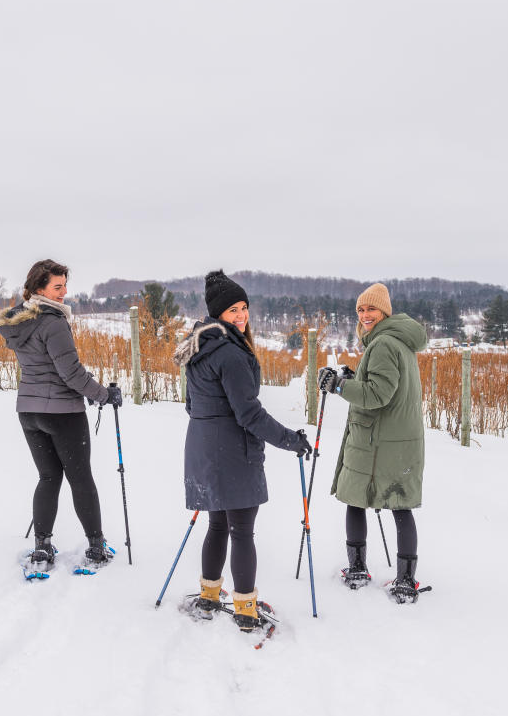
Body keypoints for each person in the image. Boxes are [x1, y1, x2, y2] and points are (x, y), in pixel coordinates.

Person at [173, 270, 312, 631]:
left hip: (203, 449)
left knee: (218, 525)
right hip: (232, 453)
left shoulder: (199, 345)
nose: (241, 315)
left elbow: (191, 405)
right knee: (241, 531)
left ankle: (208, 596)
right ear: (218, 313)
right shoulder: (230, 354)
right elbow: (249, 414)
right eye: (233, 310)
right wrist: (290, 440)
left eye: (244, 308)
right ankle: (246, 609)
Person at [0, 259, 123, 573]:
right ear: (40, 289)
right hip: (62, 414)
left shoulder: (19, 321)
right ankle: (96, 547)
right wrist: (103, 394)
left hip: (29, 412)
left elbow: (47, 367)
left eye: (65, 286)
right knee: (80, 479)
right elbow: (71, 374)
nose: (63, 293)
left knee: (48, 478)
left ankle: (42, 547)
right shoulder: (54, 322)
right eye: (57, 287)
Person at [318, 282, 428, 603]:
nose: (365, 315)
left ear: (384, 311)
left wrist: (338, 386)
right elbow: (384, 387)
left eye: (371, 309)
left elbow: (377, 395)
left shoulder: (382, 344)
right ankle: (406, 580)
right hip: (400, 439)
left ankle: (357, 570)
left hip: (375, 439)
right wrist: (355, 380)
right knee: (400, 504)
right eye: (361, 310)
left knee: (355, 498)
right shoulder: (400, 341)